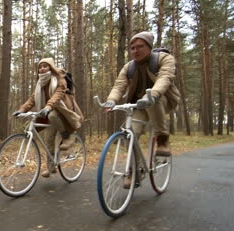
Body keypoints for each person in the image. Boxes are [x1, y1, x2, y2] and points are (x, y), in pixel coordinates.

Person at [103, 31, 181, 187]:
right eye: (132, 48)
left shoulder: (164, 59)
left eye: (140, 46)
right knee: (130, 134)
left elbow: (165, 78)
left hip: (162, 100)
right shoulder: (129, 67)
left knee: (153, 99)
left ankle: (162, 139)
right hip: (138, 104)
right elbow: (119, 85)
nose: (135, 50)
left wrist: (152, 95)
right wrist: (111, 100)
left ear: (149, 47)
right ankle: (134, 171)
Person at [13, 58, 84, 178]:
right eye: (40, 67)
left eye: (45, 66)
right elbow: (32, 99)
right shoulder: (40, 84)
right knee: (48, 141)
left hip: (62, 110)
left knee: (52, 115)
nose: (42, 69)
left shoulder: (59, 78)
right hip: (49, 113)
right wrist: (22, 110)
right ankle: (51, 167)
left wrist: (48, 106)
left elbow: (59, 94)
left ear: (51, 67)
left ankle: (67, 136)